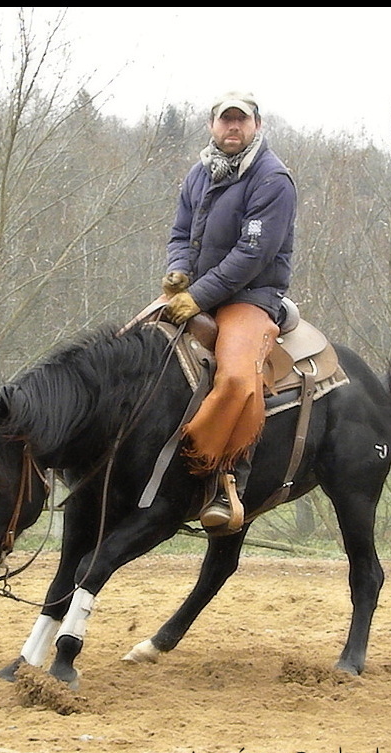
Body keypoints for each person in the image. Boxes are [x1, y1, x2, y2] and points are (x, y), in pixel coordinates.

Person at [159, 90, 297, 535]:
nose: (233, 128)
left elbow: (252, 255)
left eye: (242, 120)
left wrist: (197, 297)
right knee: (128, 348)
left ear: (257, 125)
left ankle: (223, 479)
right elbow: (180, 234)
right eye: (225, 121)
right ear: (212, 126)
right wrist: (179, 272)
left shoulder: (272, 179)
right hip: (197, 291)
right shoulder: (199, 175)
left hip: (250, 296)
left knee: (237, 380)